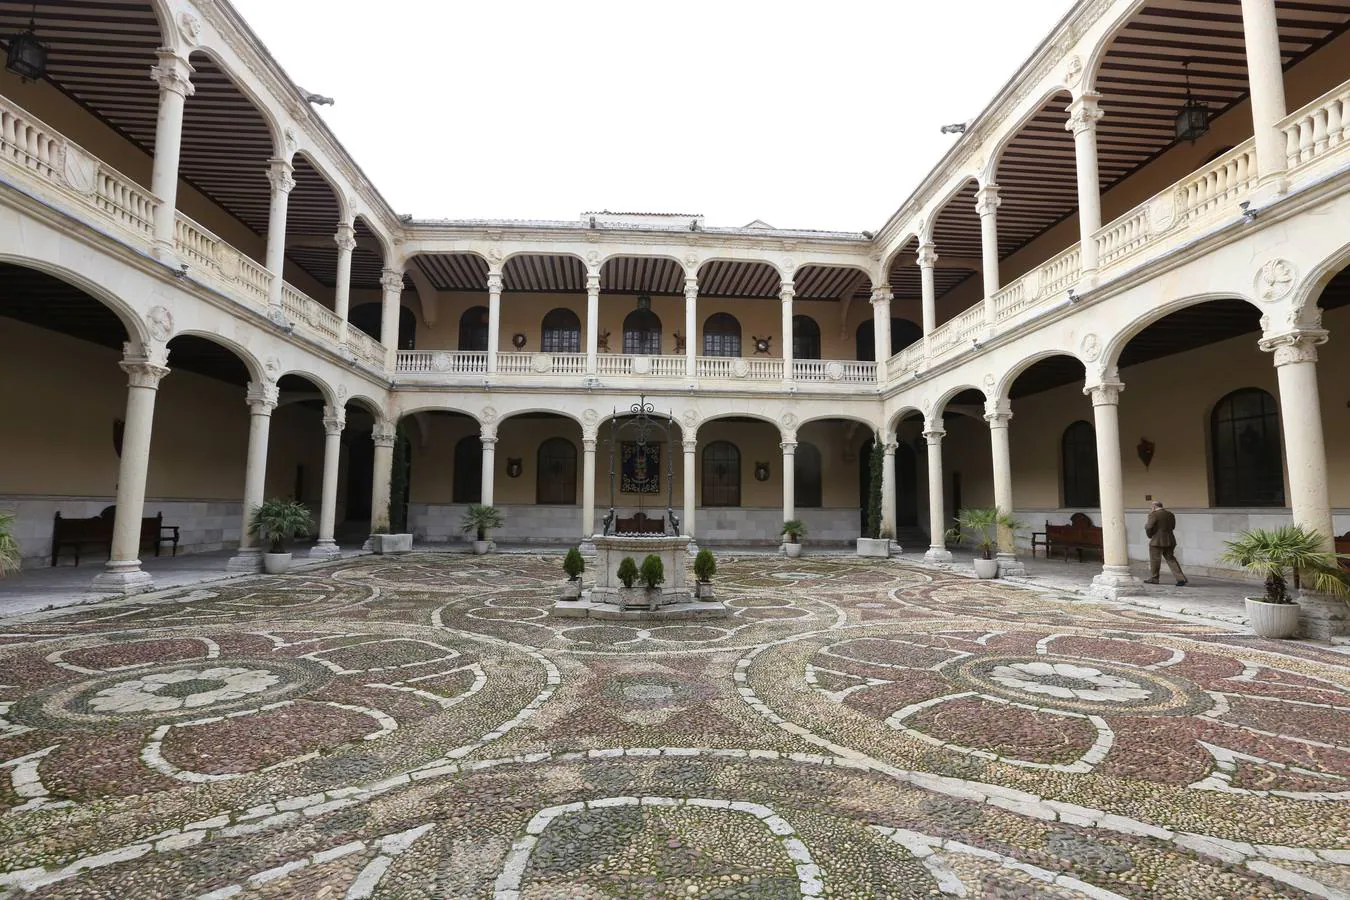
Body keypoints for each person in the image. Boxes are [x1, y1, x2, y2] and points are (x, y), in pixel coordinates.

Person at [1144, 500, 1187, 586]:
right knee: (1171, 559)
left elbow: (1149, 527)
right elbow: (1173, 526)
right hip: (1170, 539)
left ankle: (1154, 578)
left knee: (1155, 560)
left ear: (1154, 506)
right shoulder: (1170, 514)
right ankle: (1181, 578)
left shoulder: (1153, 514)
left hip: (1157, 540)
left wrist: (1150, 535)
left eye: (1151, 506)